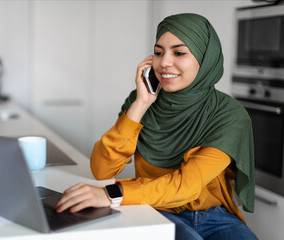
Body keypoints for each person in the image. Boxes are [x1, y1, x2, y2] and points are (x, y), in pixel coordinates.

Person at [54, 13, 258, 240]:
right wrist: (140, 105)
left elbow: (186, 185)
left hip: (215, 216)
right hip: (154, 209)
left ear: (205, 59)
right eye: (158, 52)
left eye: (179, 53)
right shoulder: (141, 100)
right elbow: (102, 170)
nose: (164, 63)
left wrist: (113, 193)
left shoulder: (229, 115)